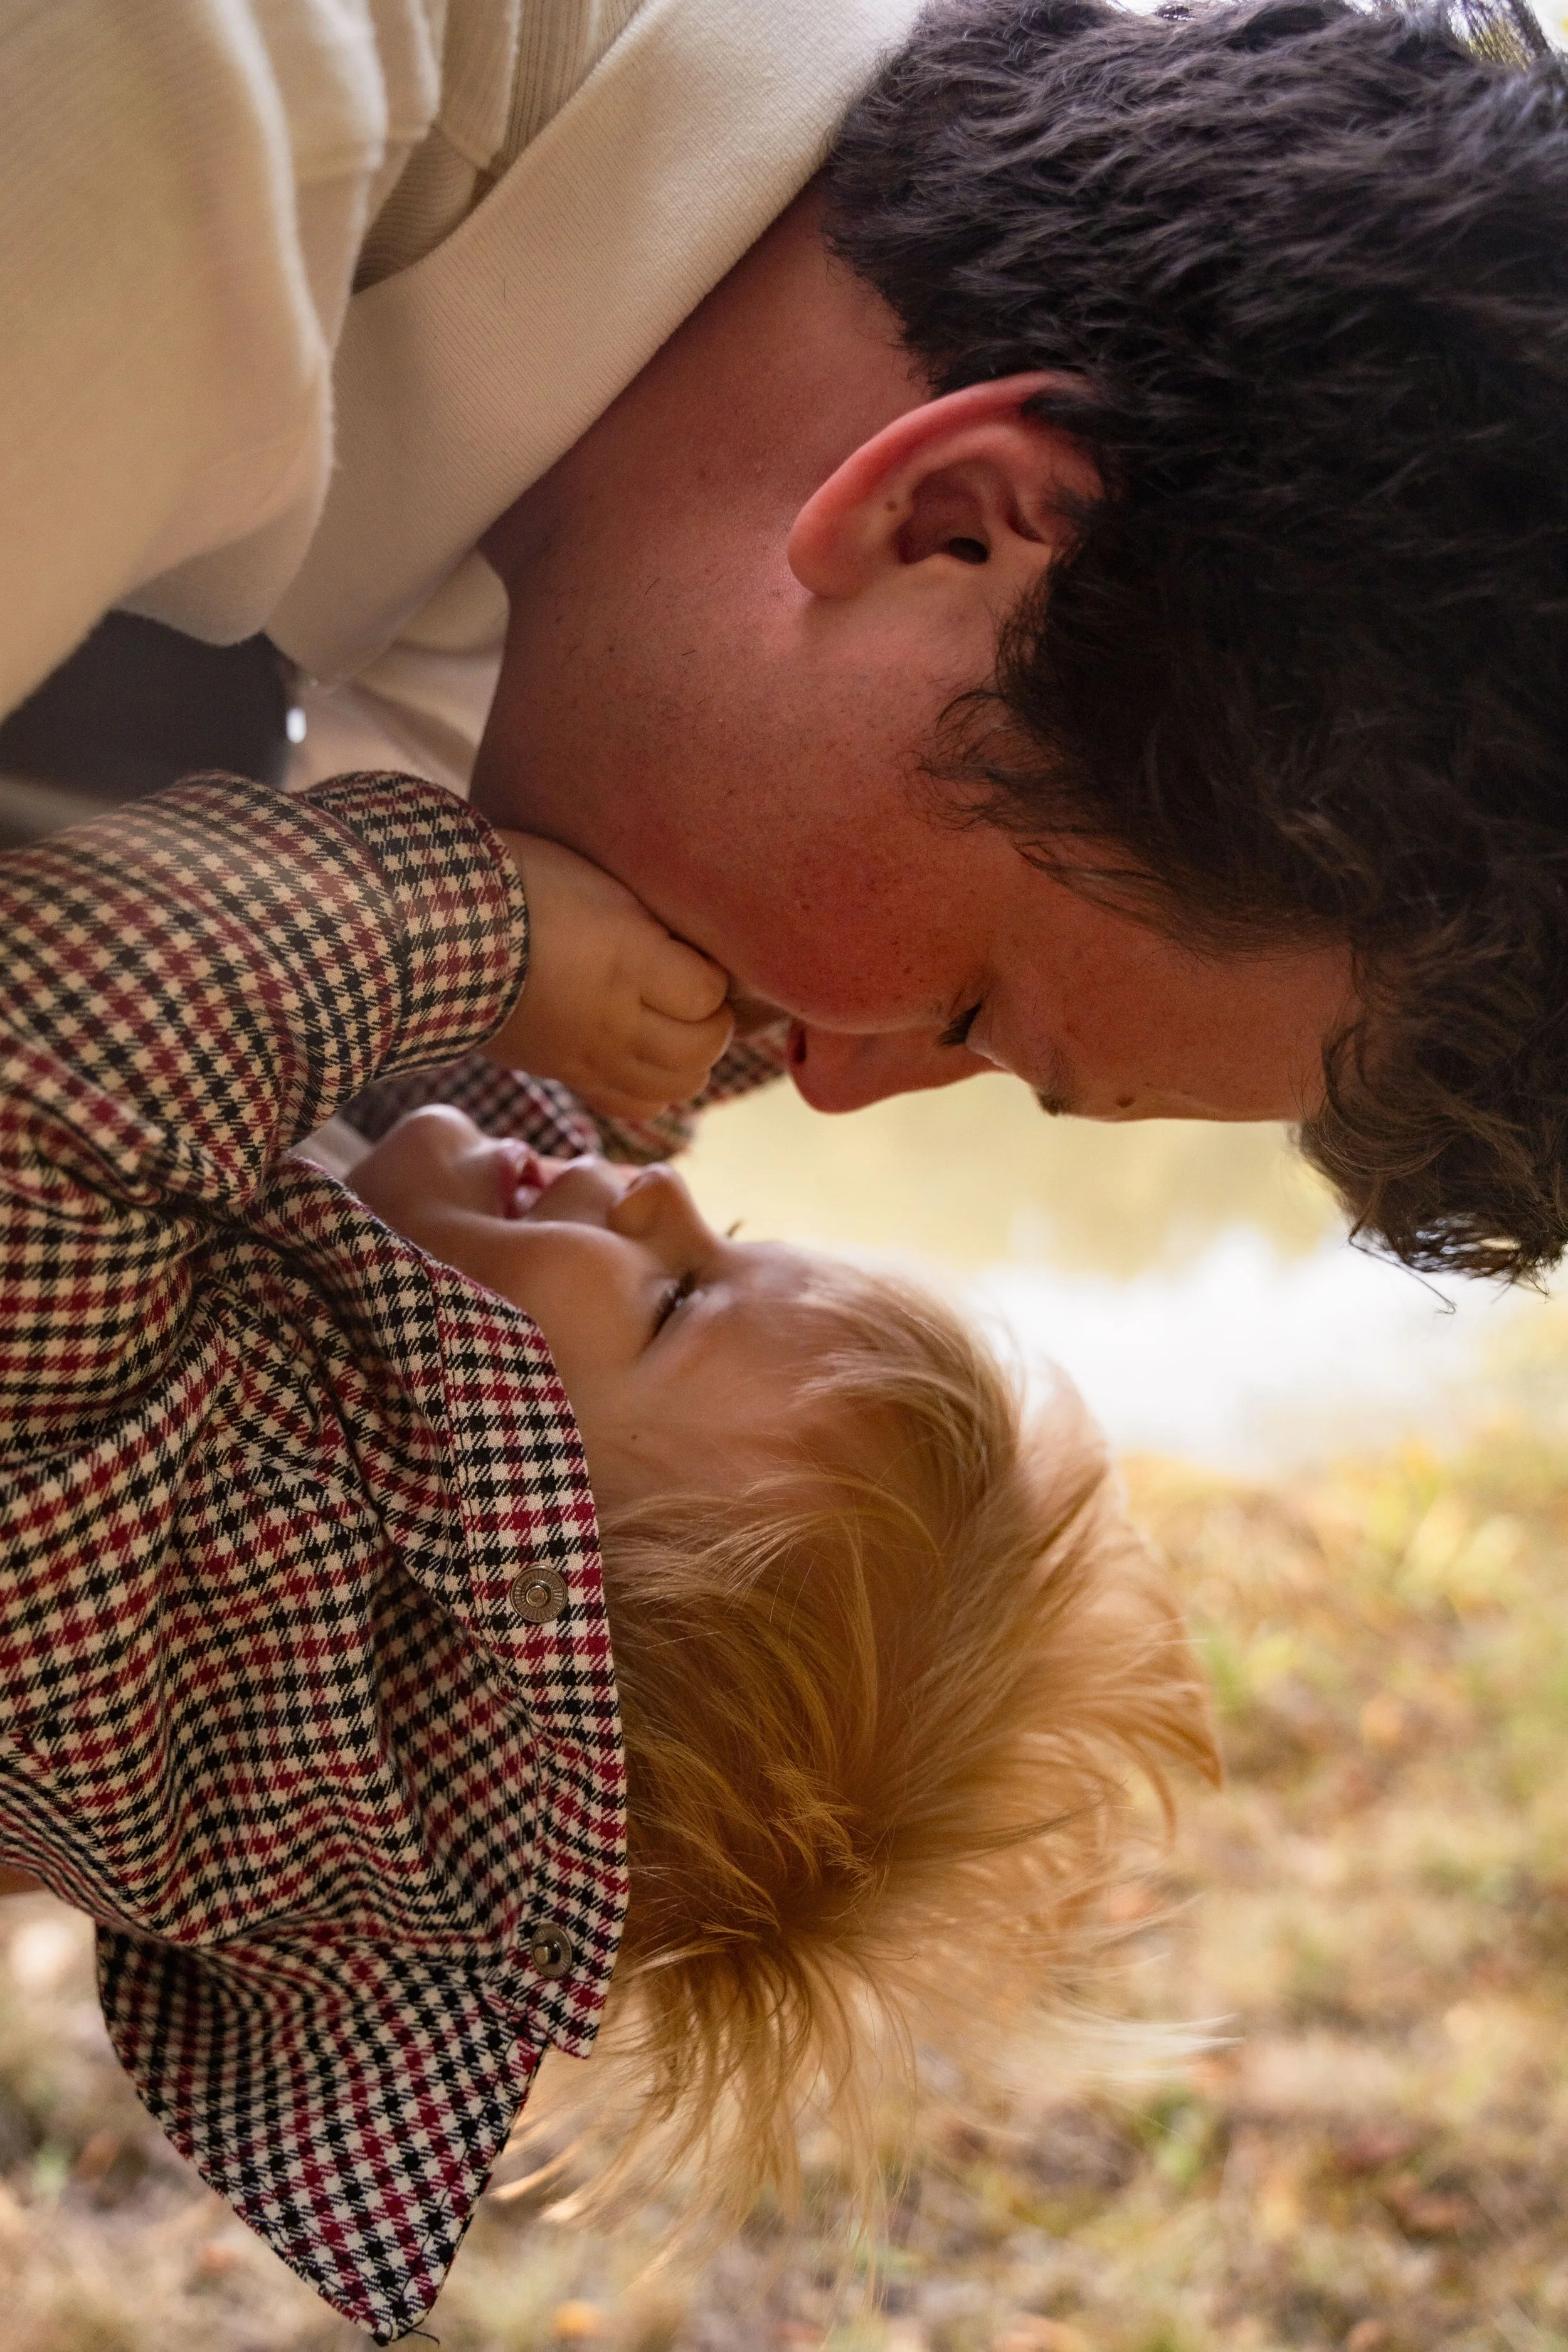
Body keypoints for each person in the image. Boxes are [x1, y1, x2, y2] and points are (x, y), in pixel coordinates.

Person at [6, 0, 1568, 1277]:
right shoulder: (162, 94)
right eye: (963, 1012)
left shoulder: (605, 556)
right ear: (946, 523)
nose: (822, 1075)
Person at [0, 767, 1216, 2341]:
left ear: (507, 1570)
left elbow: (67, 1031)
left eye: (676, 1300)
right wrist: (791, 988)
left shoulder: (101, 1541)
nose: (650, 1197)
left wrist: (487, 942)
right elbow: (531, 1164)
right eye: (722, 1234)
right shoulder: (314, 1543)